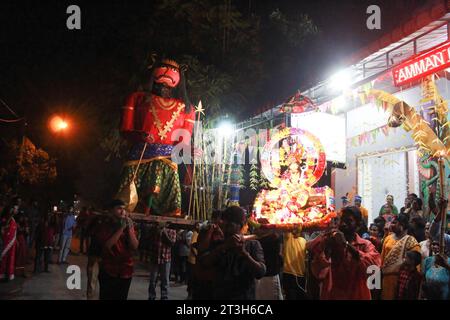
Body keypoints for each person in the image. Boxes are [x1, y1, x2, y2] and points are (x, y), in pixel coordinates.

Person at [309, 206, 381, 300]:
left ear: (358, 225)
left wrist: (346, 245)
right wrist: (327, 248)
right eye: (341, 220)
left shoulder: (365, 245)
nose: (343, 224)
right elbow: (317, 272)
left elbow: (374, 268)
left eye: (348, 221)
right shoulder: (330, 241)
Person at [198, 206, 266, 300]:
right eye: (224, 226)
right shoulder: (219, 243)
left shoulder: (252, 244)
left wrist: (244, 253)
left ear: (241, 225)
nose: (226, 230)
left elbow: (261, 272)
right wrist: (223, 247)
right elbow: (204, 263)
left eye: (230, 226)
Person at [96, 199, 139, 300]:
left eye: (124, 209)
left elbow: (135, 246)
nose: (123, 212)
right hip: (109, 270)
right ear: (111, 210)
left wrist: (129, 229)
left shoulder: (128, 225)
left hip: (126, 270)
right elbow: (107, 246)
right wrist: (120, 229)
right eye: (119, 209)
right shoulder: (105, 224)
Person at [380, 214, 420, 300]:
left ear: (402, 225)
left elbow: (416, 267)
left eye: (394, 223)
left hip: (403, 281)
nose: (391, 225)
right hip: (386, 280)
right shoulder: (388, 238)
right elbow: (382, 261)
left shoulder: (411, 242)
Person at [147, 222, 177, 300]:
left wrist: (165, 233)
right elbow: (149, 240)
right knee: (153, 279)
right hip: (155, 258)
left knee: (165, 280)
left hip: (166, 258)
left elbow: (172, 243)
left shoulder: (172, 231)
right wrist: (155, 231)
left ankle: (164, 297)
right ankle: (151, 296)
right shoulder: (155, 230)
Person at [254, 231, 283, 300]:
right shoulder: (275, 237)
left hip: (262, 275)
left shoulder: (256, 240)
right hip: (270, 275)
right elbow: (280, 254)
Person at [282, 229, 307, 300]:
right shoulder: (288, 236)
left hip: (300, 275)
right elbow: (286, 226)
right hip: (288, 274)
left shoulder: (304, 240)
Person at [85, 211, 104, 300]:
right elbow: (88, 237)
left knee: (92, 278)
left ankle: (90, 296)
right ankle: (90, 296)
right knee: (93, 277)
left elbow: (88, 236)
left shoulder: (96, 221)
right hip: (97, 253)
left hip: (98, 253)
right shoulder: (100, 222)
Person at [0, 205, 18, 281]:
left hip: (11, 242)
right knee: (4, 257)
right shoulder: (5, 218)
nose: (16, 210)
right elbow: (4, 228)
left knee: (10, 258)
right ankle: (2, 273)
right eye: (14, 209)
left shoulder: (13, 219)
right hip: (5, 241)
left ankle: (8, 273)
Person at [186, 222, 200, 299]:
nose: (199, 226)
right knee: (192, 278)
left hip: (194, 259)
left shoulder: (198, 234)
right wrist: (197, 256)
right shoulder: (195, 233)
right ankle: (190, 294)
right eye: (198, 225)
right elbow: (192, 246)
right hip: (193, 260)